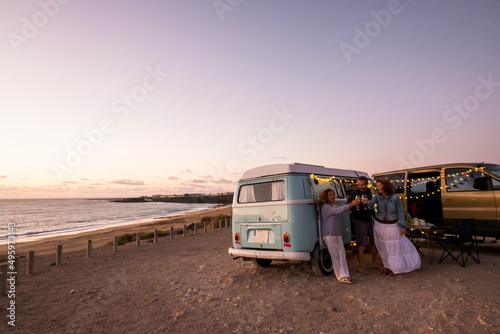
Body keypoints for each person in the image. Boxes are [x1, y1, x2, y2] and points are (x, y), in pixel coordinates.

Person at [368, 178, 421, 276]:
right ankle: (386, 267)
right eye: (377, 186)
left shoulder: (395, 198)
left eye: (379, 186)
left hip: (392, 225)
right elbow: (371, 204)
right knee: (383, 247)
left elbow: (400, 212)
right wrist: (367, 202)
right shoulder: (377, 197)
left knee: (393, 247)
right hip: (379, 225)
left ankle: (395, 267)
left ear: (385, 186)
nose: (377, 187)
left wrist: (403, 226)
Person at [319, 188, 360, 284]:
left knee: (342, 254)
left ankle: (345, 275)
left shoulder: (330, 206)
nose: (333, 196)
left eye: (333, 194)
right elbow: (337, 210)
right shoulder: (325, 207)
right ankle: (340, 276)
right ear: (326, 197)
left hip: (336, 233)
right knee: (335, 256)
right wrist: (350, 205)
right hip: (329, 234)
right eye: (330, 195)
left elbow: (337, 210)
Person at [347, 176, 383, 275]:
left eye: (362, 184)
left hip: (369, 219)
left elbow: (371, 205)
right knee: (362, 244)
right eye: (359, 184)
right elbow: (348, 204)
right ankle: (360, 266)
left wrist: (374, 216)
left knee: (373, 241)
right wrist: (354, 204)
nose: (361, 186)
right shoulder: (354, 193)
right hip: (359, 220)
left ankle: (374, 263)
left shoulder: (368, 191)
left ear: (366, 184)